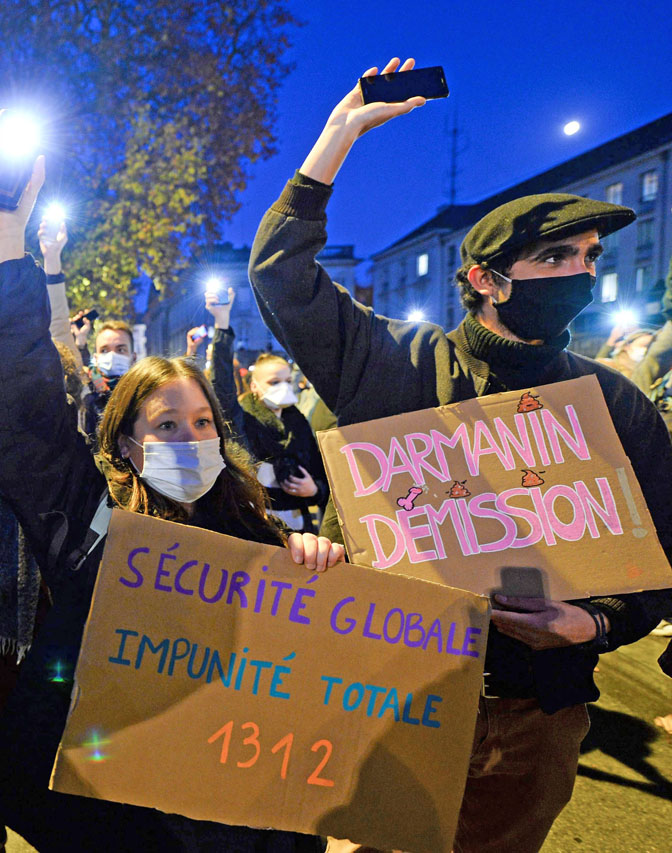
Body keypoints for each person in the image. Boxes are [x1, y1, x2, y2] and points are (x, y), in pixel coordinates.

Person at [248, 57, 672, 853]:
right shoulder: (394, 363)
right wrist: (337, 137)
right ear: (485, 279)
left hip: (533, 717)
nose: (579, 272)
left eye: (588, 256)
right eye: (554, 259)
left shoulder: (614, 405)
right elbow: (281, 275)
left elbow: (664, 550)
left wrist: (594, 623)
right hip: (384, 695)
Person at [0, 130, 345, 851]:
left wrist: (316, 565)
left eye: (202, 422)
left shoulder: (255, 540)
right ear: (127, 444)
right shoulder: (90, 522)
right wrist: (5, 244)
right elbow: (19, 405)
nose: (189, 438)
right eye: (165, 424)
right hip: (118, 824)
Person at [201, 287, 329, 533]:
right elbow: (222, 383)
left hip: (301, 530)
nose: (283, 387)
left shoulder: (299, 424)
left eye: (287, 381)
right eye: (274, 382)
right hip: (254, 527)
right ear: (255, 386)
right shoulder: (242, 418)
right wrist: (222, 321)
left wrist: (314, 490)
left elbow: (321, 476)